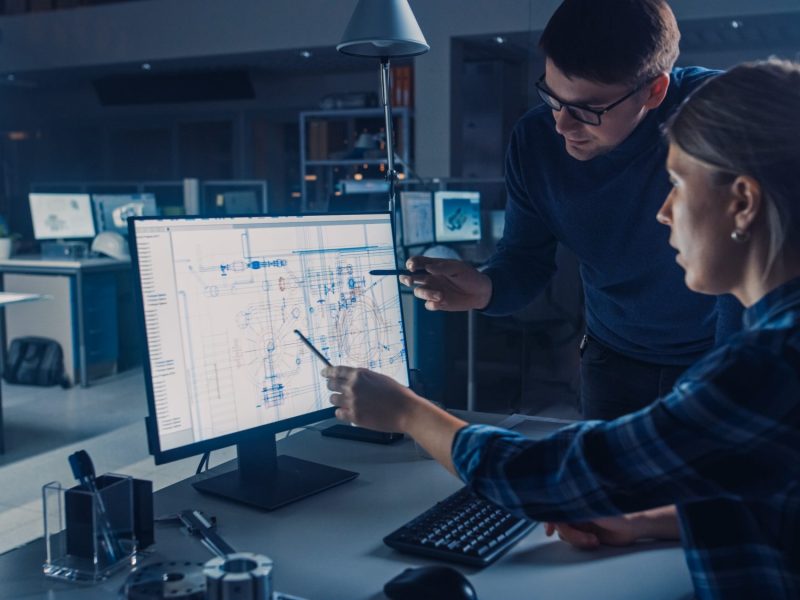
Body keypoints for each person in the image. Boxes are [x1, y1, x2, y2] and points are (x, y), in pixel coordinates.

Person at [324, 60, 800, 598]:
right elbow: (763, 497)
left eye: (677, 184)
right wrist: (647, 522)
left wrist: (406, 411)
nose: (663, 213)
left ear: (741, 203)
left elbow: (543, 476)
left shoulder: (768, 368)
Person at [403, 0, 743, 420]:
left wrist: (736, 377)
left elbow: (752, 261)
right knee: (606, 481)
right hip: (612, 358)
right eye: (552, 96)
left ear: (654, 91)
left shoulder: (723, 114)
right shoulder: (536, 141)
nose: (562, 125)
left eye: (588, 108)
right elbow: (525, 257)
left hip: (721, 354)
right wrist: (486, 288)